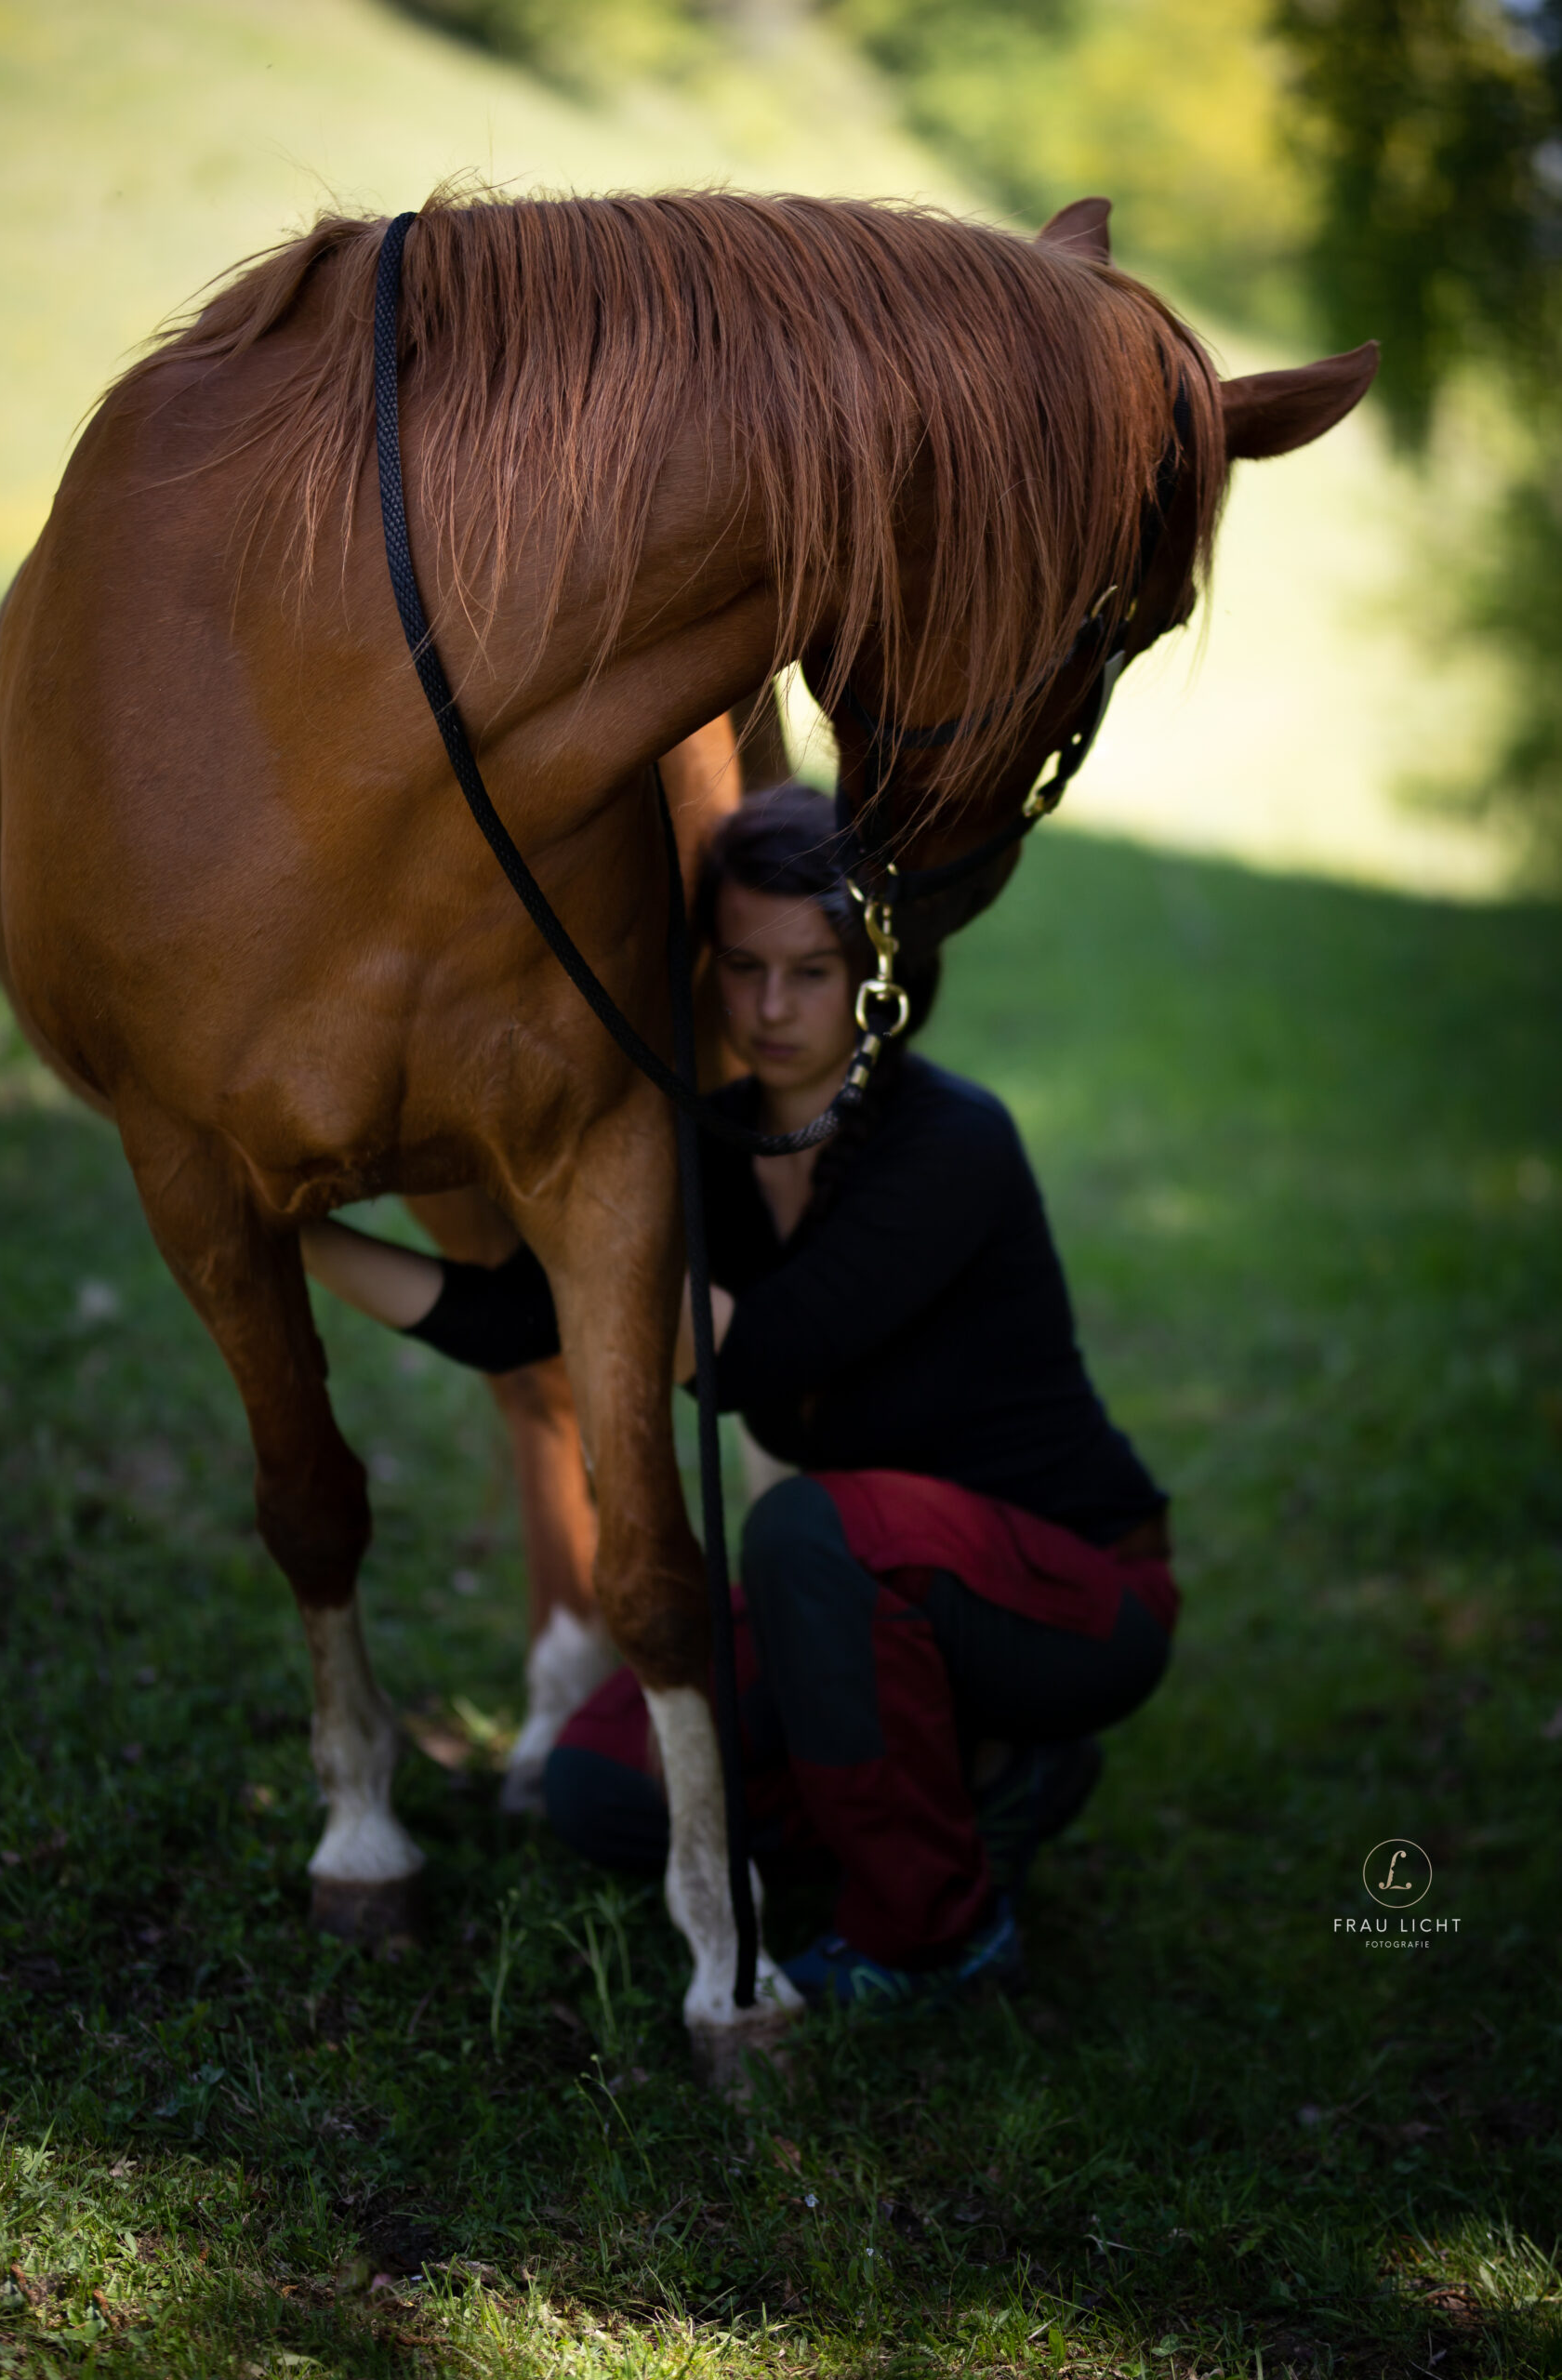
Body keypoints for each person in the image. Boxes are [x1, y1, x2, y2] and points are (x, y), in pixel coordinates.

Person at [301, 782, 1178, 2009]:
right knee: (604, 1780)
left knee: (802, 1528)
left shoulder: (951, 1142)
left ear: (879, 974)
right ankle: (982, 1786)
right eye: (742, 966)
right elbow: (516, 1318)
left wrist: (606, 1236)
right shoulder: (706, 1148)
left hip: (1070, 1594)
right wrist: (293, 1230)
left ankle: (939, 1932)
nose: (770, 1008)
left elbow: (759, 1357)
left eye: (812, 972)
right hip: (867, 1612)